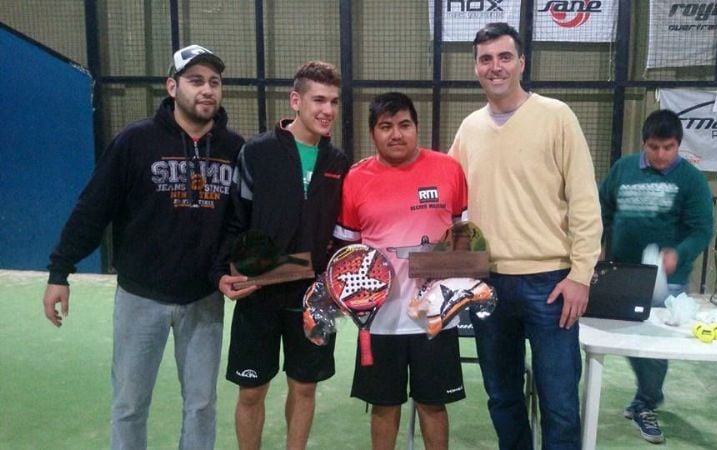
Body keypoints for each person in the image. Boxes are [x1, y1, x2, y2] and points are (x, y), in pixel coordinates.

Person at [42, 45, 243, 449]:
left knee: (202, 405)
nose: (207, 90)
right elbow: (93, 208)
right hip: (141, 296)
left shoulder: (235, 149)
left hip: (203, 298)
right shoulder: (135, 142)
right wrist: (60, 271)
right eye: (195, 81)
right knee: (130, 404)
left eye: (214, 82)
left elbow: (240, 223)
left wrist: (235, 267)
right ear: (172, 87)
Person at [448, 22, 603, 449]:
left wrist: (580, 276)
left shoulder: (557, 117)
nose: (495, 67)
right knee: (502, 398)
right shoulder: (469, 129)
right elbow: (446, 197)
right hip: (488, 286)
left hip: (551, 285)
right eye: (485, 59)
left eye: (504, 57)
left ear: (521, 63)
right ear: (476, 68)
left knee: (560, 404)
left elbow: (585, 202)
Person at [214, 61, 350, 450]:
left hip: (316, 297)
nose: (327, 110)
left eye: (334, 101)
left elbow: (341, 232)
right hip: (260, 292)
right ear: (295, 100)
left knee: (304, 387)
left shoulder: (338, 162)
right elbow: (234, 219)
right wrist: (225, 271)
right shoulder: (256, 152)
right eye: (318, 100)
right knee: (251, 390)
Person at [333, 92, 468, 450]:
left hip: (434, 316)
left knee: (433, 405)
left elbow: (463, 236)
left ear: (416, 128)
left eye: (404, 125)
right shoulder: (355, 178)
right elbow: (346, 252)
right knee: (383, 406)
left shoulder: (449, 169)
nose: (396, 134)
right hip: (380, 319)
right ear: (372, 133)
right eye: (386, 126)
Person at [599, 109, 713, 444]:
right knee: (626, 337)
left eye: (668, 147)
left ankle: (646, 402)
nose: (661, 154)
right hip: (623, 271)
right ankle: (647, 395)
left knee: (652, 343)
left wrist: (679, 254)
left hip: (667, 280)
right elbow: (602, 210)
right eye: (654, 147)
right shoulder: (623, 170)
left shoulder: (691, 179)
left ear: (678, 145)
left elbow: (702, 230)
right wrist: (597, 246)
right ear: (643, 143)